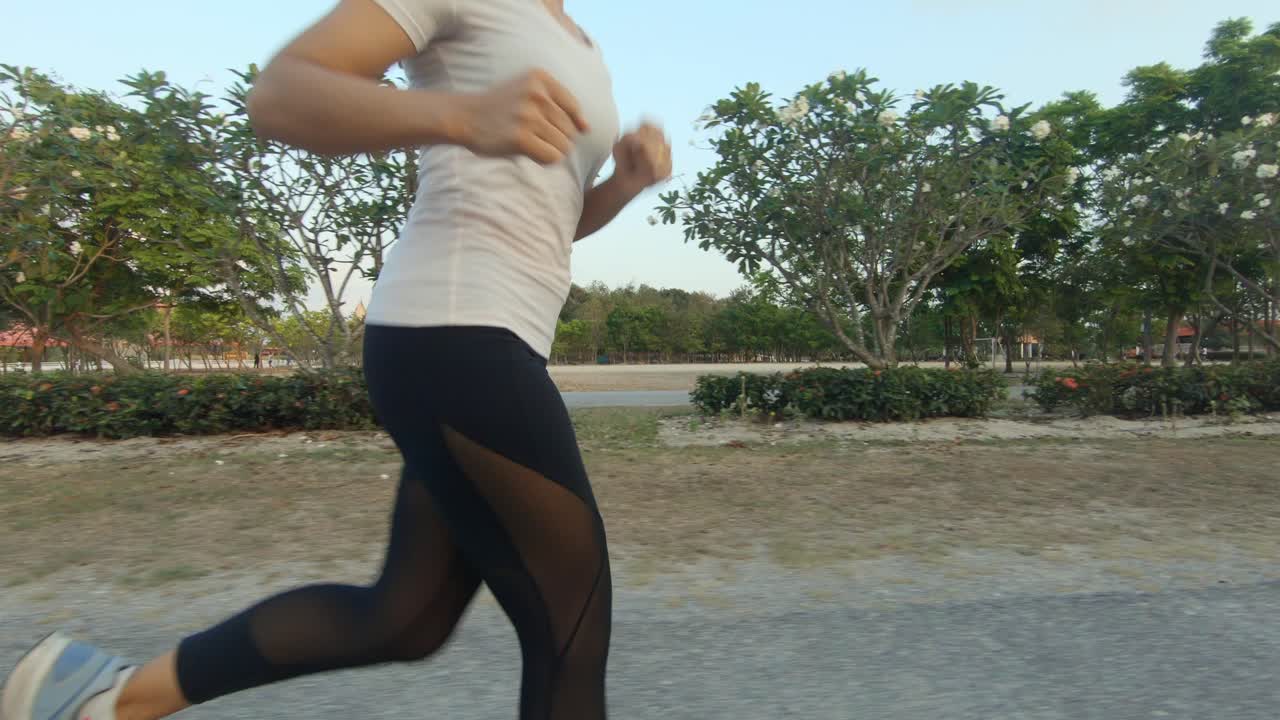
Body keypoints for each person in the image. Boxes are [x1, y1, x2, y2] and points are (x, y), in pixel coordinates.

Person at [0, 0, 671, 718]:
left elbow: (553, 219)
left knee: (406, 617)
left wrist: (622, 184)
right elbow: (282, 93)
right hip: (457, 331)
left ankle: (99, 699)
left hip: (485, 338)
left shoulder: (581, 45)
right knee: (570, 626)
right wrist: (463, 114)